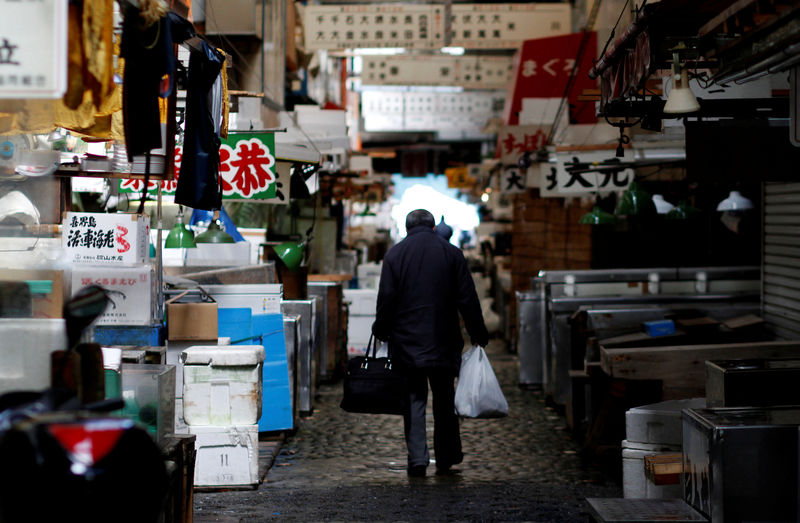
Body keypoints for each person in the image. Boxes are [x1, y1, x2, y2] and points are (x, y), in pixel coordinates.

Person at [373, 209, 489, 478]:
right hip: (444, 338)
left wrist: (381, 329)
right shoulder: (452, 253)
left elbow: (387, 298)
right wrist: (477, 332)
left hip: (407, 341)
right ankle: (446, 457)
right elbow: (467, 298)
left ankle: (417, 459)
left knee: (413, 399)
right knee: (445, 399)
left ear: (406, 227)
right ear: (433, 226)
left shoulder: (395, 255)